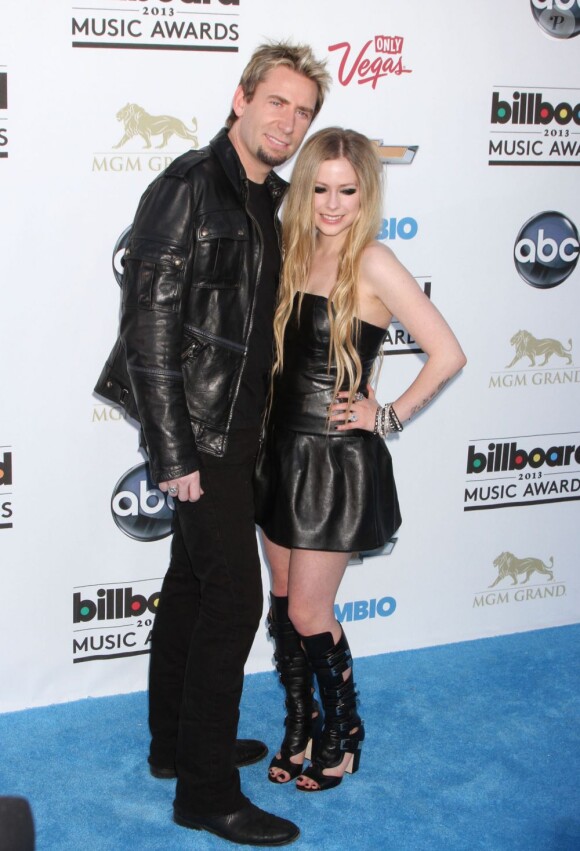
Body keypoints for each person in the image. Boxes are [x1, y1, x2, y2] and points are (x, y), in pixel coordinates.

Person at [95, 43, 331, 845]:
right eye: (277, 102)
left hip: (245, 426)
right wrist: (174, 455)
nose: (288, 121)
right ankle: (204, 790)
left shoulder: (275, 198)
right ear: (241, 98)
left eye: (302, 111)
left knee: (195, 584)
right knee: (231, 597)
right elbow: (148, 331)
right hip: (200, 433)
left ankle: (175, 743)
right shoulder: (189, 187)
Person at [254, 127, 467, 792]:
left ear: (366, 193)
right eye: (320, 188)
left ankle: (345, 733)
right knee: (285, 600)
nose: (332, 203)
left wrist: (388, 415)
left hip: (334, 458)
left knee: (311, 612)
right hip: (279, 450)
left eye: (347, 190)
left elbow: (448, 352)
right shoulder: (292, 248)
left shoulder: (372, 260)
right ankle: (299, 725)